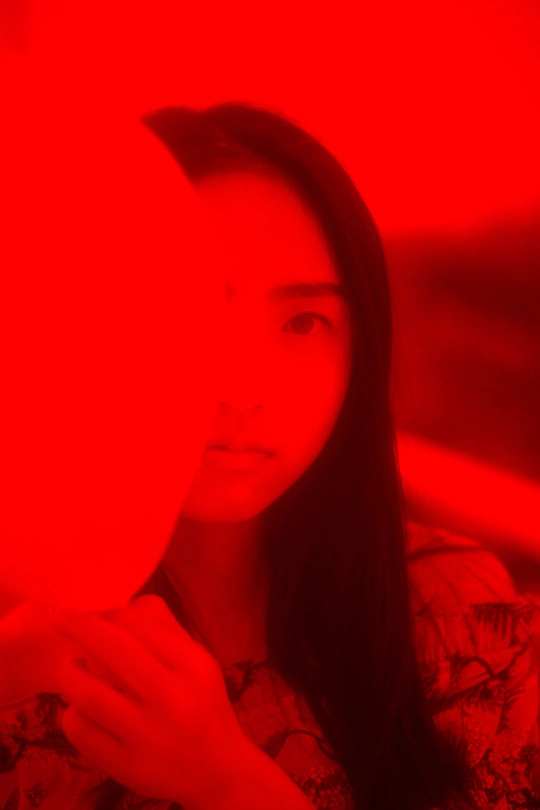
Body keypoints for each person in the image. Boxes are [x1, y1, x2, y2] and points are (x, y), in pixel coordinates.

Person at [1, 101, 540, 810]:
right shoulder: (19, 681)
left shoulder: (461, 620)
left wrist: (229, 784)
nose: (244, 391)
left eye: (303, 322)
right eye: (188, 314)